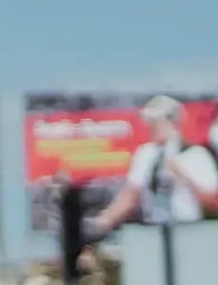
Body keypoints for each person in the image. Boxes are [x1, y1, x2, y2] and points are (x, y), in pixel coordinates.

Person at [87, 94, 218, 234]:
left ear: (171, 123)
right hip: (154, 228)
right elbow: (131, 194)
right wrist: (107, 219)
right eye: (148, 122)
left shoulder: (194, 154)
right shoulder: (145, 154)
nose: (149, 127)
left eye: (155, 122)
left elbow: (212, 201)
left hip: (188, 228)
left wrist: (183, 174)